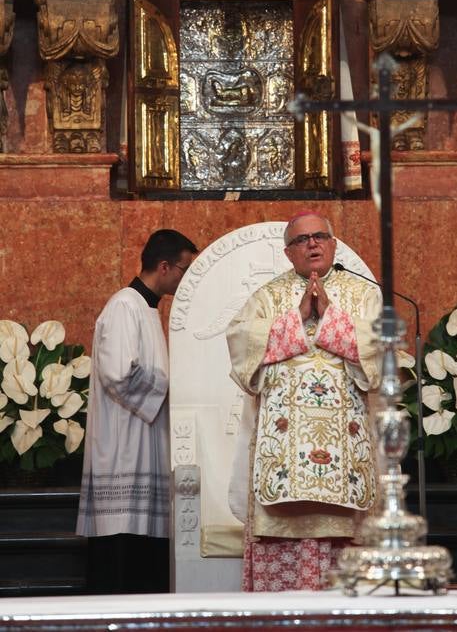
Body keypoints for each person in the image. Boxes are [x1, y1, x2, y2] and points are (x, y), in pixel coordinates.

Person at [226, 212, 382, 592]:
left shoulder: (364, 294)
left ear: (333, 243)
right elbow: (241, 344)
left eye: (319, 236)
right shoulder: (267, 296)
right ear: (288, 252)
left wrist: (329, 317)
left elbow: (381, 347)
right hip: (285, 452)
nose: (312, 244)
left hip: (345, 451)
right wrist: (296, 318)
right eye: (302, 240)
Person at [76, 228, 198, 594]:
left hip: (144, 441)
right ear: (164, 266)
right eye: (185, 269)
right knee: (123, 548)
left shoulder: (145, 309)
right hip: (123, 449)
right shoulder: (123, 306)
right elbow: (117, 373)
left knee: (145, 548)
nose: (186, 279)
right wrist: (171, 389)